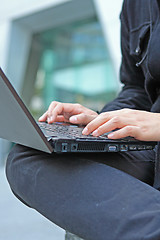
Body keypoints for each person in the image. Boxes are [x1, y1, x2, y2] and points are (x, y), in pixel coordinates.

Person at [6, 0, 160, 239]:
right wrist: (101, 120)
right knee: (29, 156)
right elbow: (136, 88)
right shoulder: (135, 5)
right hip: (150, 150)